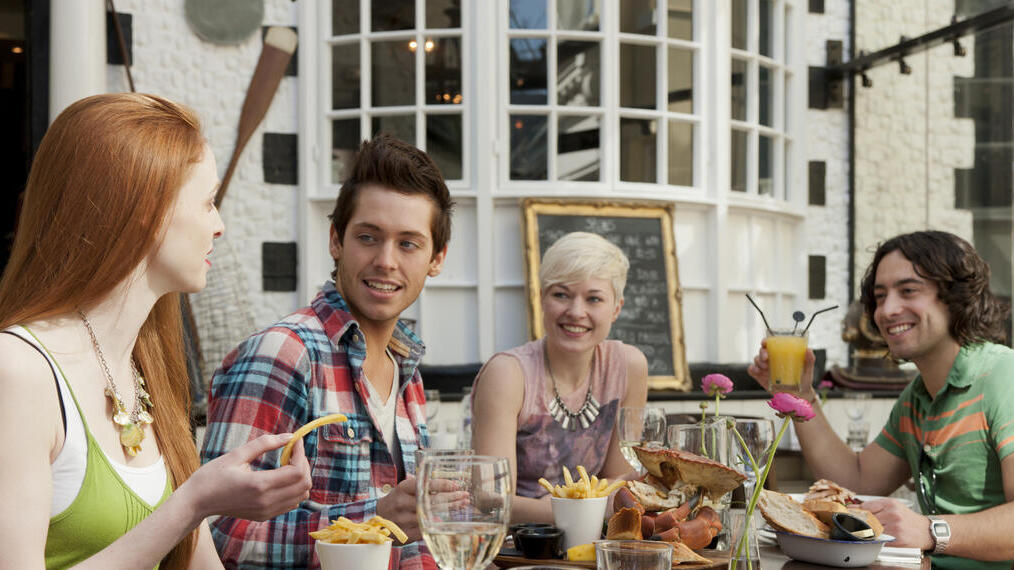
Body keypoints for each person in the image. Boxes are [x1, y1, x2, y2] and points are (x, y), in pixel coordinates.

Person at [0, 93, 312, 569]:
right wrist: (190, 504)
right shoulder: (18, 371)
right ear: (146, 207)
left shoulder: (143, 363)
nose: (220, 225)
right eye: (207, 203)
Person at [201, 134, 452, 569]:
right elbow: (215, 533)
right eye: (368, 237)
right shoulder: (283, 354)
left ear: (437, 258)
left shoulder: (407, 371)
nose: (386, 261)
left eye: (408, 243)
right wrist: (372, 522)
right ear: (336, 240)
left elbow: (411, 544)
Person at [749, 230, 1014, 568]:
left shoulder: (1003, 376)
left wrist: (930, 531)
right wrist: (801, 397)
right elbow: (856, 480)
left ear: (954, 297)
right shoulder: (917, 398)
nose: (887, 310)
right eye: (880, 295)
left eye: (908, 291)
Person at [470, 231, 649, 524]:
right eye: (561, 295)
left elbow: (616, 481)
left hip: (593, 545)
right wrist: (592, 510)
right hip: (515, 550)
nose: (576, 312)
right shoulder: (508, 374)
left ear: (616, 308)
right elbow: (491, 503)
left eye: (594, 299)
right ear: (541, 298)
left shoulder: (629, 366)